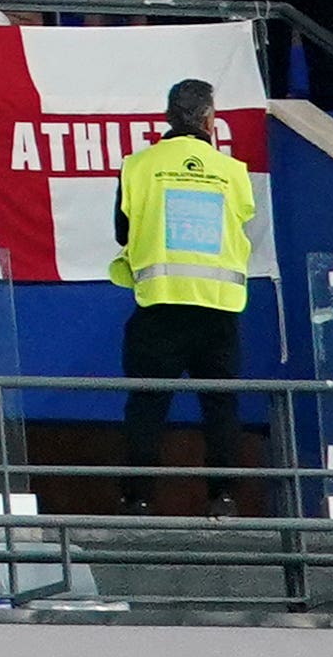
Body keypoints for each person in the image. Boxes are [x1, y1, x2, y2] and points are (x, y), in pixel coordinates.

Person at [108, 75, 264, 507]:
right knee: (220, 409)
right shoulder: (233, 173)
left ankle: (137, 502)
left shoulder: (138, 166)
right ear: (210, 119)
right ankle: (224, 500)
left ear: (166, 116)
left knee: (146, 407)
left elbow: (123, 232)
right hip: (218, 311)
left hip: (159, 308)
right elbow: (240, 228)